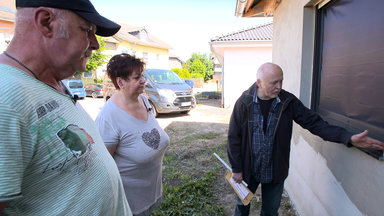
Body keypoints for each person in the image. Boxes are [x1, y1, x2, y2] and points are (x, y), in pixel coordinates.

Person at [0, 0, 132, 215]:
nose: (95, 44)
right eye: (87, 30)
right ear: (46, 22)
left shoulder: (51, 82)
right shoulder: (5, 97)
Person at [227, 62, 384, 216]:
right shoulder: (244, 103)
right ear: (259, 83)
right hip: (248, 169)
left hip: (274, 170)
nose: (279, 86)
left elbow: (316, 124)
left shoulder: (288, 102)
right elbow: (234, 137)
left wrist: (348, 137)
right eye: (274, 82)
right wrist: (237, 168)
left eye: (281, 81)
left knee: (270, 211)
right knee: (242, 207)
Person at [95, 54, 169, 216]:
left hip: (149, 192)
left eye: (142, 75)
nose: (143, 80)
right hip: (127, 203)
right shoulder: (109, 117)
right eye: (137, 77)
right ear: (120, 82)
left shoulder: (143, 100)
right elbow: (103, 168)